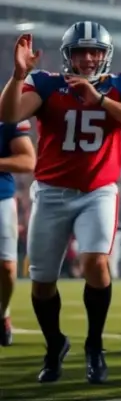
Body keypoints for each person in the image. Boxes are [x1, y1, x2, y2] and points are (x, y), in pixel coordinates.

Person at [0, 24, 121, 383]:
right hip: (51, 192)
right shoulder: (46, 83)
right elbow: (9, 115)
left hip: (97, 191)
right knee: (42, 282)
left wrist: (99, 99)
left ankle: (94, 346)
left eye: (95, 51)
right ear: (68, 55)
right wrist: (18, 75)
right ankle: (55, 344)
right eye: (81, 51)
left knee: (95, 264)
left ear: (106, 54)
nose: (88, 58)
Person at [0, 118, 35, 346]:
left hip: (1, 197)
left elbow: (28, 160)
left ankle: (2, 313)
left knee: (7, 266)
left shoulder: (7, 113)